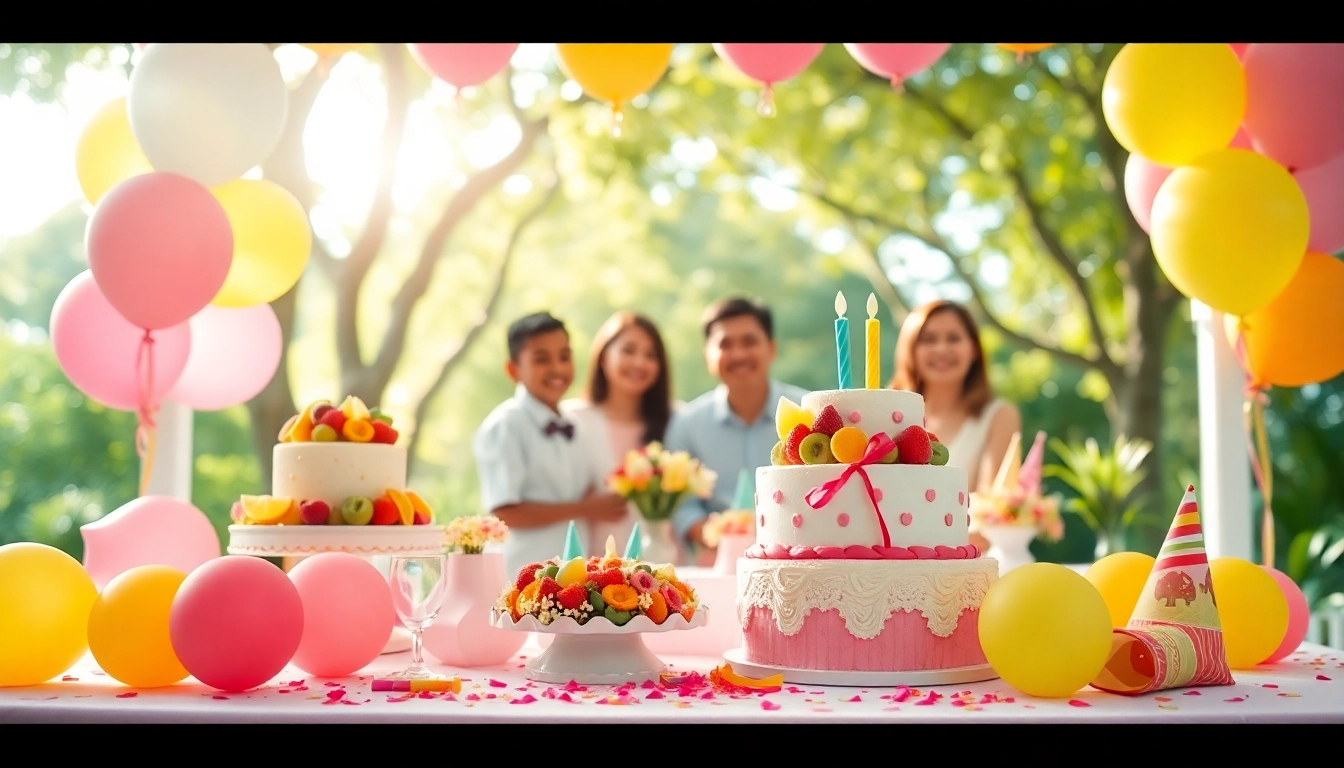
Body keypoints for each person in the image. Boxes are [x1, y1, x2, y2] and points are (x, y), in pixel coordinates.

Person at [473, 311, 627, 575]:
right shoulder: (506, 425)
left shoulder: (576, 424)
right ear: (513, 370)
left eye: (564, 357)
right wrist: (585, 509)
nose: (557, 368)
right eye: (541, 359)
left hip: (569, 575)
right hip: (520, 572)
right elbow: (506, 512)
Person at [666, 297, 808, 562]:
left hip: (799, 556)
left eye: (750, 342)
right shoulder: (687, 424)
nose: (739, 354)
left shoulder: (809, 412)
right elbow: (682, 506)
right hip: (719, 560)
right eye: (725, 344)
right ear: (708, 355)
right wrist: (724, 537)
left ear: (771, 349)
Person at [890, 300, 1022, 551]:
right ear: (910, 349)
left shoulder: (1000, 416)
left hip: (969, 565)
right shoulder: (887, 414)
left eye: (953, 338)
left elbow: (990, 513)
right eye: (928, 339)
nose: (941, 349)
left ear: (973, 349)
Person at [562, 311, 676, 557]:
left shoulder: (676, 419)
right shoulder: (572, 419)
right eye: (629, 351)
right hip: (595, 572)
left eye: (650, 355)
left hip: (662, 566)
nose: (639, 362)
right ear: (603, 356)